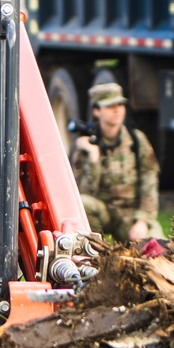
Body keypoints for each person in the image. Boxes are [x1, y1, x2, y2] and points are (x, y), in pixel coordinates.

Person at [72, 82, 160, 242]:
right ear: (97, 111)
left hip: (131, 213)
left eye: (120, 104)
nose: (117, 110)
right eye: (110, 106)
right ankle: (95, 251)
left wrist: (142, 220)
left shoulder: (136, 140)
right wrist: (93, 157)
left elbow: (150, 182)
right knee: (84, 204)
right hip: (104, 211)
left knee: (156, 247)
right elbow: (81, 196)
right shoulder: (86, 145)